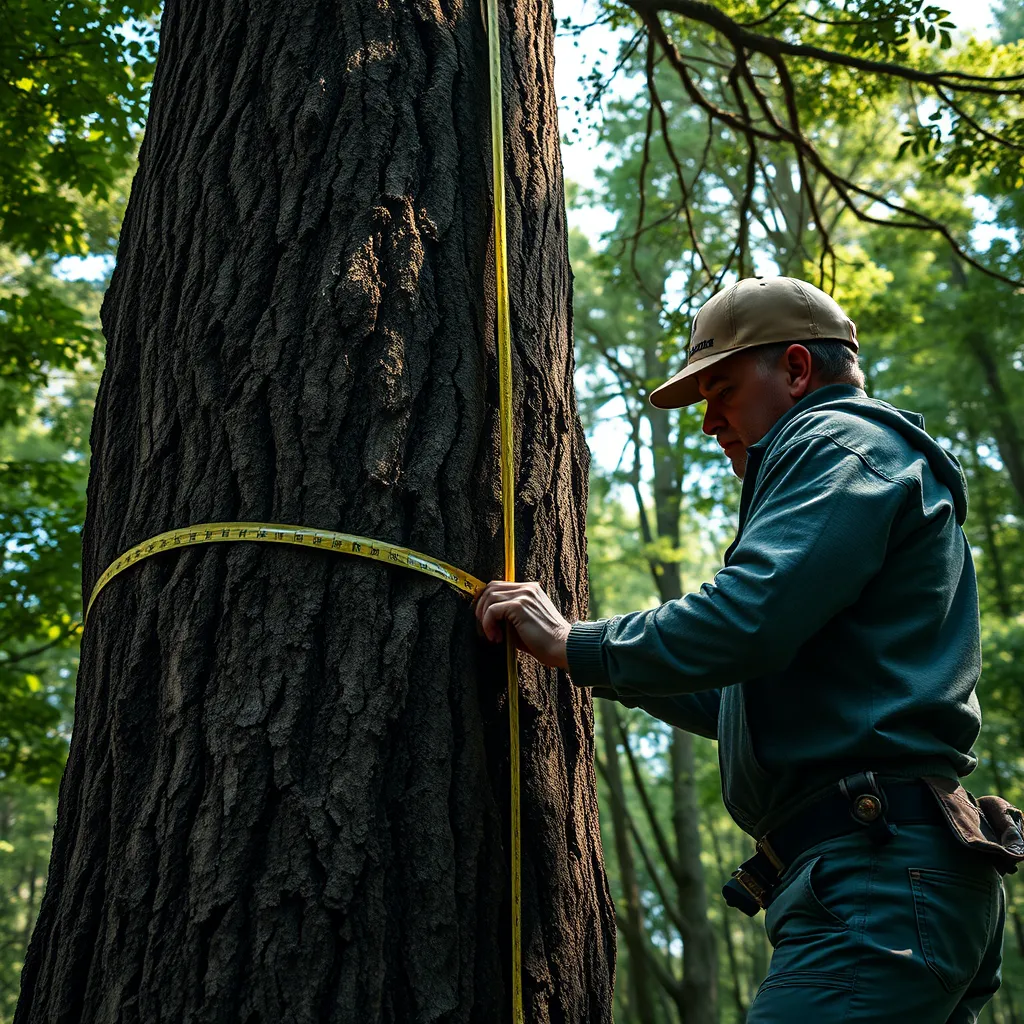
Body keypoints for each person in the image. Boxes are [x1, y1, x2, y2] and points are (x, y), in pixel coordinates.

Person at [475, 276, 1012, 1022]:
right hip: (896, 876)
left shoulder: (836, 442)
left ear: (796, 369)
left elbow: (744, 620)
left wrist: (579, 643)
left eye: (721, 390)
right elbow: (736, 692)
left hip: (877, 879)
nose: (709, 423)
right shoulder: (858, 465)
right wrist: (584, 661)